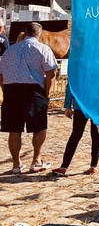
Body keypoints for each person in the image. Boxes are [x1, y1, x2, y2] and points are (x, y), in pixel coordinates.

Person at [0, 22, 58, 174]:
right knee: (39, 127)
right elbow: (51, 72)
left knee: (14, 129)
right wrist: (48, 92)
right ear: (39, 34)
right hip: (33, 90)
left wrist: (5, 90)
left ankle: (16, 164)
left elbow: (1, 74)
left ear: (25, 33)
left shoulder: (10, 51)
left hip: (12, 90)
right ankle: (36, 161)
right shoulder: (43, 49)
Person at [51, 82, 99, 176]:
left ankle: (64, 166)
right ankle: (93, 166)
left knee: (76, 135)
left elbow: (71, 85)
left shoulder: (78, 68)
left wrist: (67, 105)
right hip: (96, 105)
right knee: (96, 135)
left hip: (81, 104)